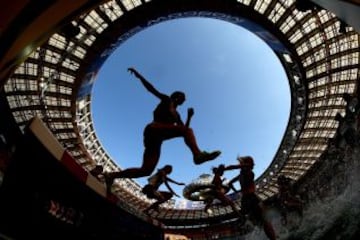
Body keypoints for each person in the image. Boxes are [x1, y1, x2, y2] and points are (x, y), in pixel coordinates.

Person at [104, 68, 221, 190]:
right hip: (153, 129)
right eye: (183, 97)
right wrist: (139, 76)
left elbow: (183, 129)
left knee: (146, 170)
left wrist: (189, 117)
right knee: (188, 131)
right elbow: (151, 89)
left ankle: (112, 175)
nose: (185, 100)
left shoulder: (177, 115)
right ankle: (197, 154)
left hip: (156, 140)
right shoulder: (167, 100)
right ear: (177, 97)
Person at [224, 156, 276, 240]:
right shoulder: (244, 172)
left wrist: (237, 191)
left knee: (260, 221)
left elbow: (230, 181)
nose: (253, 165)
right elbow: (230, 181)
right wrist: (237, 191)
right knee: (262, 221)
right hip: (250, 198)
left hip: (247, 199)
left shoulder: (244, 172)